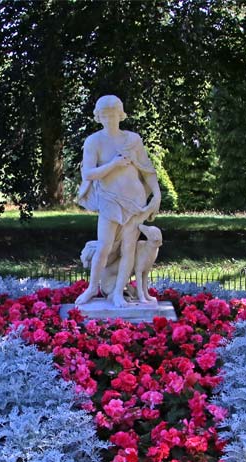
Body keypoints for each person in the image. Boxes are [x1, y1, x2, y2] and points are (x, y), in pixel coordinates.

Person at [74, 95, 161, 307]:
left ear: (120, 115)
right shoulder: (94, 141)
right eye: (104, 115)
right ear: (98, 116)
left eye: (113, 114)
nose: (109, 119)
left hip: (135, 200)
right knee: (104, 246)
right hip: (109, 200)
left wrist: (157, 194)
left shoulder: (133, 140)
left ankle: (118, 293)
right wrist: (114, 164)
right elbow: (89, 174)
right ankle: (92, 288)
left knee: (129, 248)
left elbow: (147, 170)